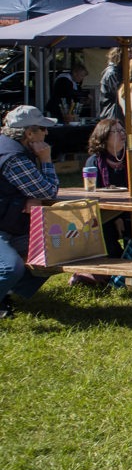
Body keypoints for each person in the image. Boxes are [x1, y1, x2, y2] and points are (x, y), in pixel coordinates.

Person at [0, 106, 61, 318]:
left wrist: (29, 196)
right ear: (29, 133)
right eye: (42, 129)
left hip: (10, 225)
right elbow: (48, 191)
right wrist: (46, 160)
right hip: (4, 229)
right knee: (10, 267)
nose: (46, 133)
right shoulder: (13, 157)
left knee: (56, 253)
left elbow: (34, 191)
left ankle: (5, 293)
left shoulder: (12, 149)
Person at [84, 119, 132, 256]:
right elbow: (94, 195)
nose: (122, 134)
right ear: (104, 136)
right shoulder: (95, 161)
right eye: (116, 131)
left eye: (122, 130)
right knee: (102, 228)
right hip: (108, 211)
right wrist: (116, 217)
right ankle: (112, 267)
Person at [99, 46, 132, 120]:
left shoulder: (126, 72)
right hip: (114, 118)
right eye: (130, 52)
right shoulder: (113, 73)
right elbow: (121, 95)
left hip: (122, 116)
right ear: (120, 53)